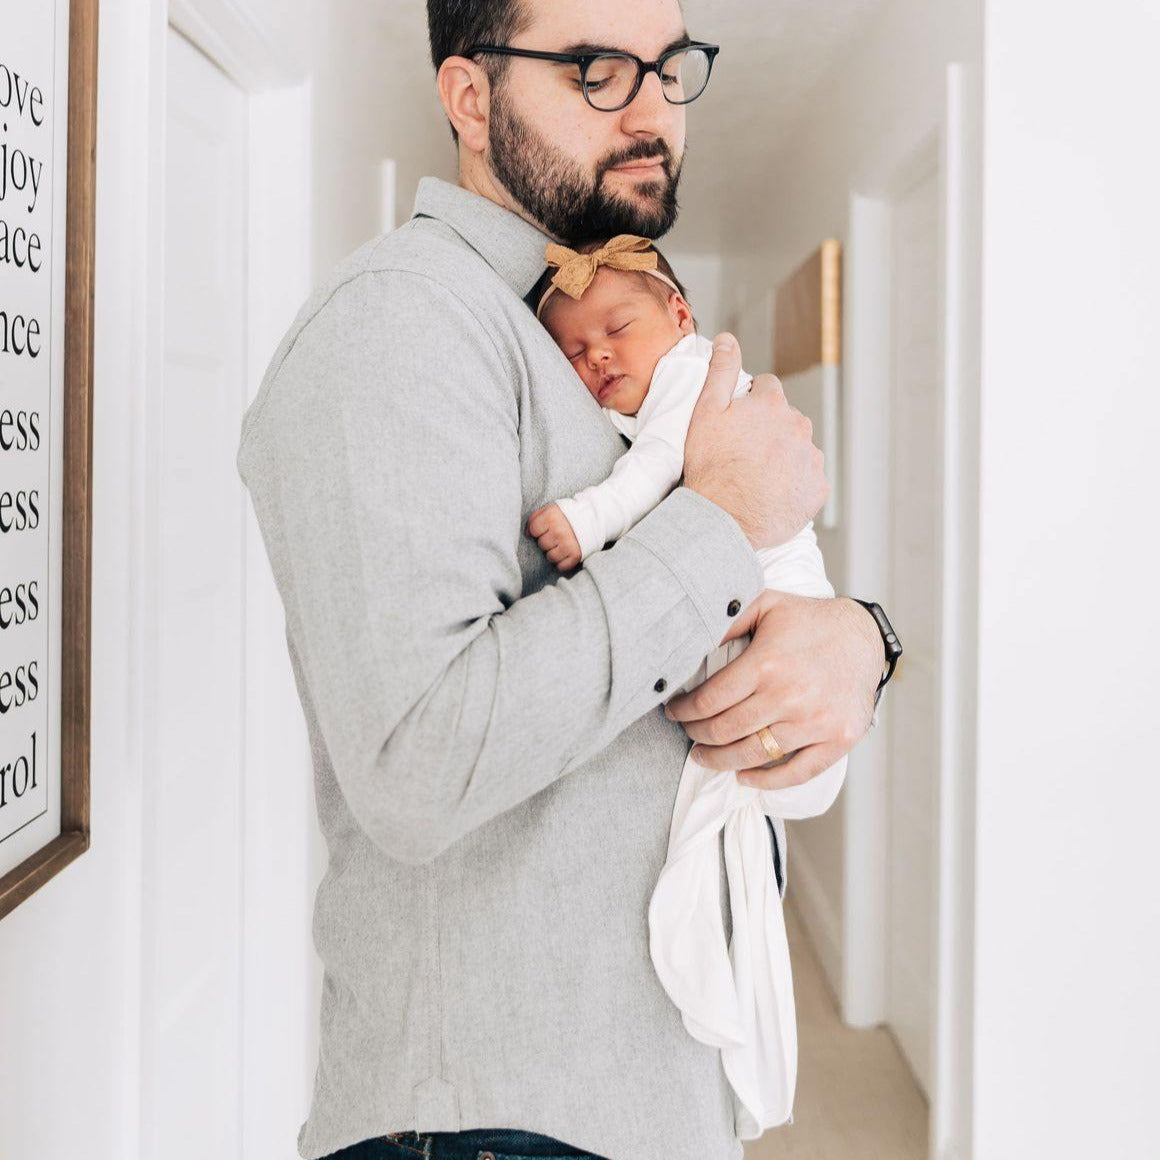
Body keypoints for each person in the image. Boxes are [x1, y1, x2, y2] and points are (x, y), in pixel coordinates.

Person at [235, 2, 893, 1158]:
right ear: (470, 99)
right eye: (596, 70)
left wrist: (858, 638)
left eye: (666, 67)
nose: (653, 111)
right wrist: (720, 520)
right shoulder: (401, 323)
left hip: (643, 1092)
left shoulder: (589, 331)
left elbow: (714, 607)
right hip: (500, 1120)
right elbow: (415, 760)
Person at [527, 234, 848, 1135]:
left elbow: (666, 465)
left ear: (680, 315)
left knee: (777, 747)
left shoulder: (695, 381)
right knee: (745, 757)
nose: (597, 357)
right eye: (575, 351)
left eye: (617, 329)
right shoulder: (644, 389)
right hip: (741, 599)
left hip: (776, 588)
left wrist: (585, 522)